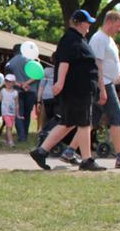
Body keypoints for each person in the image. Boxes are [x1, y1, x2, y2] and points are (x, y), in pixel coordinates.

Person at [29, 10, 105, 171]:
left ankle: (41, 152)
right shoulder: (70, 39)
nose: (89, 26)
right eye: (87, 22)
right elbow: (64, 61)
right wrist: (60, 82)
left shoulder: (79, 39)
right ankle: (87, 160)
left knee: (68, 123)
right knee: (84, 123)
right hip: (76, 89)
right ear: (79, 23)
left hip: (80, 89)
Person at [69, 10, 120, 169]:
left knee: (90, 122)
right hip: (103, 84)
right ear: (110, 21)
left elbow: (111, 67)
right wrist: (102, 89)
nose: (119, 29)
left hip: (108, 82)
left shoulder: (109, 40)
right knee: (117, 118)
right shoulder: (99, 39)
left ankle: (69, 151)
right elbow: (98, 66)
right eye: (118, 25)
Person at [5, 43, 39, 143]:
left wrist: (20, 85)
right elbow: (37, 75)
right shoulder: (31, 61)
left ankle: (22, 136)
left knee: (19, 114)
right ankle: (26, 134)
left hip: (17, 91)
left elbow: (8, 79)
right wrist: (26, 83)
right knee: (27, 114)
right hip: (31, 91)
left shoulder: (10, 63)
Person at [0, 74, 20, 147]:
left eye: (10, 81)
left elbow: (17, 104)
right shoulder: (3, 91)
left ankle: (6, 140)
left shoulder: (15, 92)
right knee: (9, 126)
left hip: (12, 113)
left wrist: (17, 114)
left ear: (13, 83)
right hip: (5, 112)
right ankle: (11, 142)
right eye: (6, 81)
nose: (7, 83)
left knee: (9, 127)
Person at [38, 62, 57, 130]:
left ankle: (45, 131)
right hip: (58, 97)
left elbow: (41, 87)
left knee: (47, 117)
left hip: (47, 96)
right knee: (57, 117)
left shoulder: (46, 70)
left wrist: (38, 101)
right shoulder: (63, 69)